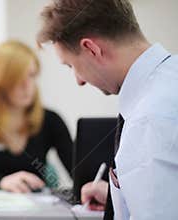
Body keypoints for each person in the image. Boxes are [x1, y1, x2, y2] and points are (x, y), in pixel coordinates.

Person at [37, 0, 178, 219]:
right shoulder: (169, 80)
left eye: (71, 66)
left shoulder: (149, 119)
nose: (78, 81)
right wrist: (120, 198)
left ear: (91, 49)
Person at [0, 40, 73, 193]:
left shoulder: (50, 120)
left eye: (32, 76)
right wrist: (0, 182)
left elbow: (77, 171)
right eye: (18, 77)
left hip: (36, 210)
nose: (28, 85)